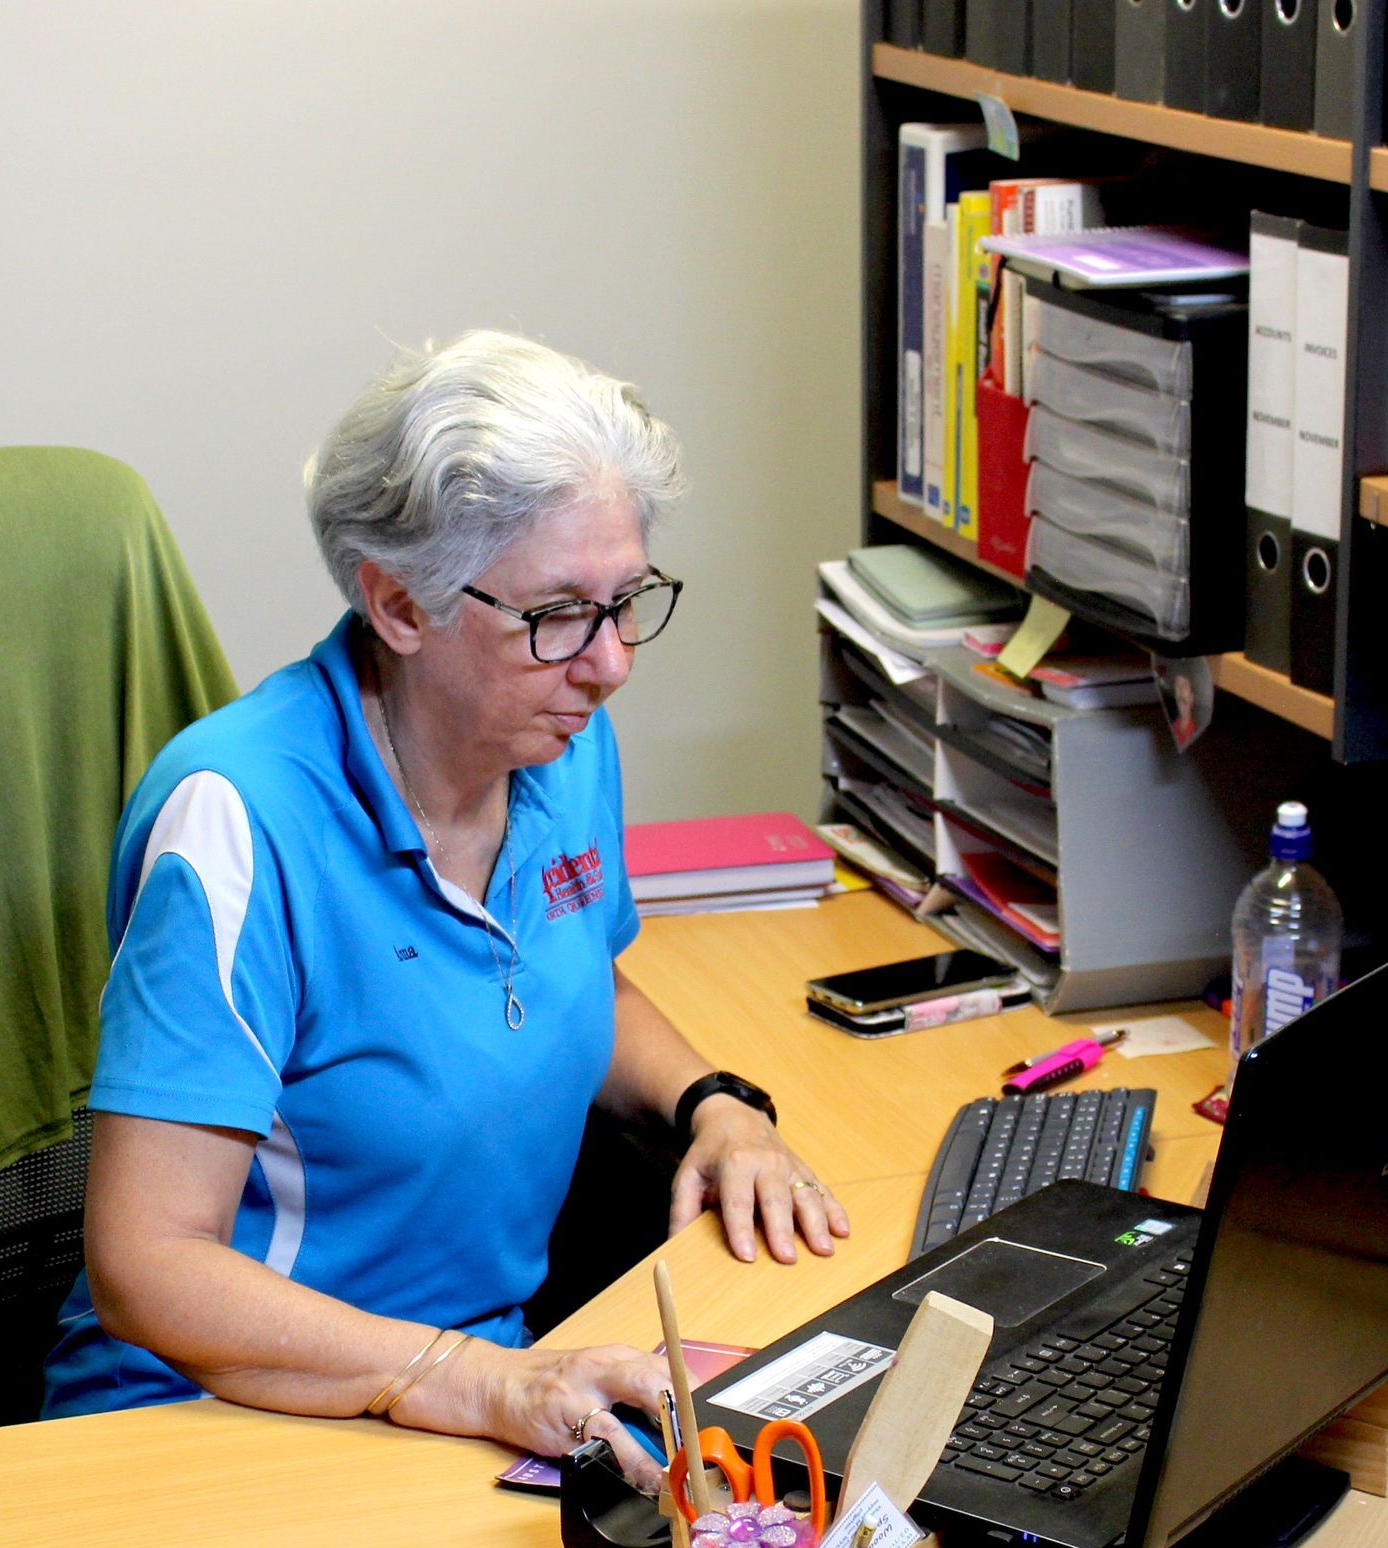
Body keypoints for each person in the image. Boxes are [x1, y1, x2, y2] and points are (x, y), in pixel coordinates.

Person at [42, 330, 848, 1489]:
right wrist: (466, 1378)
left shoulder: (559, 739)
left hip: (467, 1396)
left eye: (627, 601)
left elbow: (569, 979)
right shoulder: (237, 820)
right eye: (560, 613)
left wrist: (716, 1107)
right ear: (398, 605)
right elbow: (148, 1261)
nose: (611, 661)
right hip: (219, 1418)